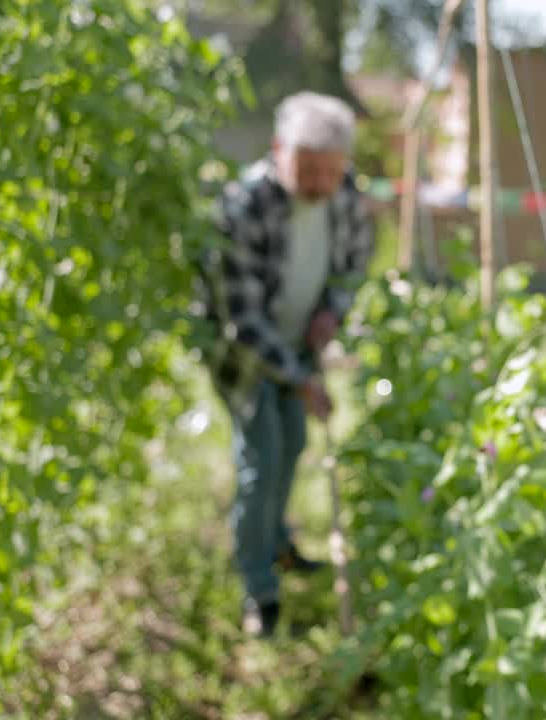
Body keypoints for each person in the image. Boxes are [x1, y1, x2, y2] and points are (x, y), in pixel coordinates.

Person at [198, 91, 375, 637]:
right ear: (279, 151)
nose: (321, 184)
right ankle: (259, 589)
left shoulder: (344, 195)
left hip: (301, 343)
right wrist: (301, 380)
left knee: (293, 443)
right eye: (309, 170)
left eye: (331, 171)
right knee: (262, 459)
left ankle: (277, 544)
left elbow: (353, 263)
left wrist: (332, 314)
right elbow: (243, 323)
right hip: (246, 357)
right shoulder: (242, 208)